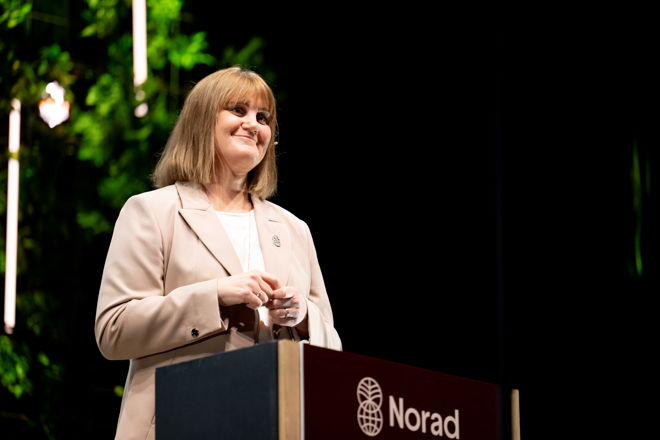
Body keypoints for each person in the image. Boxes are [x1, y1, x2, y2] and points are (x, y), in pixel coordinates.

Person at [94, 66, 341, 439]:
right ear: (201, 120)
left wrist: (303, 316)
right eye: (238, 110)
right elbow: (114, 330)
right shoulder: (152, 212)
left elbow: (333, 347)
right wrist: (215, 297)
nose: (253, 125)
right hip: (178, 423)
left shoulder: (294, 230)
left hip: (274, 424)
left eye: (263, 117)